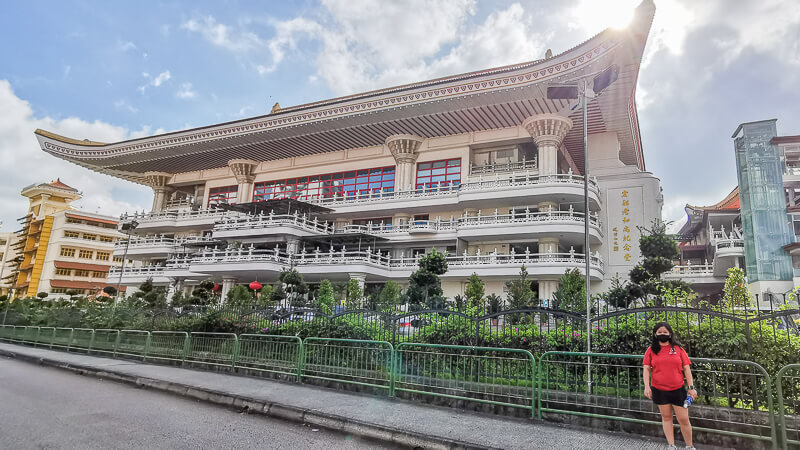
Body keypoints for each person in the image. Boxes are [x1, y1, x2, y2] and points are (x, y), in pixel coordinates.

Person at [643, 321, 698, 450]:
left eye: (665, 332)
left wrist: (691, 387)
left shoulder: (678, 349)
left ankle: (689, 446)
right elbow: (646, 369)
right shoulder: (651, 350)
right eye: (659, 332)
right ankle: (671, 445)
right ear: (655, 334)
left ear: (670, 334)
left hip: (678, 390)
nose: (662, 334)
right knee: (666, 418)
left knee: (684, 419)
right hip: (659, 390)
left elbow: (686, 369)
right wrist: (646, 386)